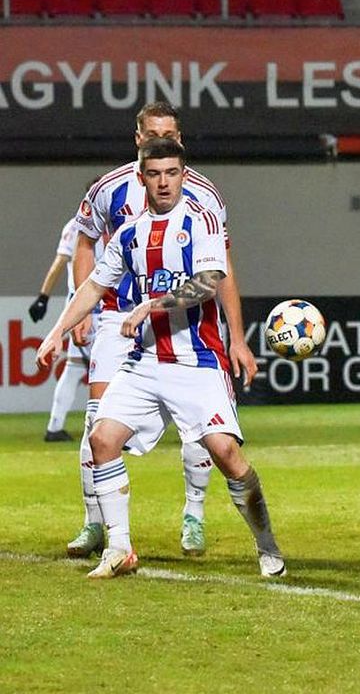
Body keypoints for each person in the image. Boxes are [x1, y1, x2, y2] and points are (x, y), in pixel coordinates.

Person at [36, 138, 285, 580]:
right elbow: (93, 286)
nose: (164, 182)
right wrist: (56, 333)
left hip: (198, 361)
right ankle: (119, 548)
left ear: (184, 175)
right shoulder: (129, 234)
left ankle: (266, 545)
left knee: (226, 452)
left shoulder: (203, 220)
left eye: (172, 173)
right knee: (101, 438)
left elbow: (208, 282)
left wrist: (152, 305)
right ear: (142, 178)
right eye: (154, 174)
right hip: (145, 362)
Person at [68, 102, 258, 560]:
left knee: (198, 427)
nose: (161, 140)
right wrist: (79, 312)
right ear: (138, 139)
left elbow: (222, 268)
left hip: (184, 319)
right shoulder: (109, 188)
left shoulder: (204, 196)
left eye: (169, 135)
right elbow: (85, 243)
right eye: (153, 134)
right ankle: (96, 523)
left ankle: (194, 512)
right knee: (98, 420)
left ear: (180, 139)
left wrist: (236, 336)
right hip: (118, 316)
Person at [30, 215, 92, 442]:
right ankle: (111, 430)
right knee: (112, 368)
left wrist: (43, 297)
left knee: (75, 367)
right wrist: (42, 298)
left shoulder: (74, 225)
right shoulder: (110, 221)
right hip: (95, 306)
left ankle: (55, 426)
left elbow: (59, 261)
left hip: (77, 303)